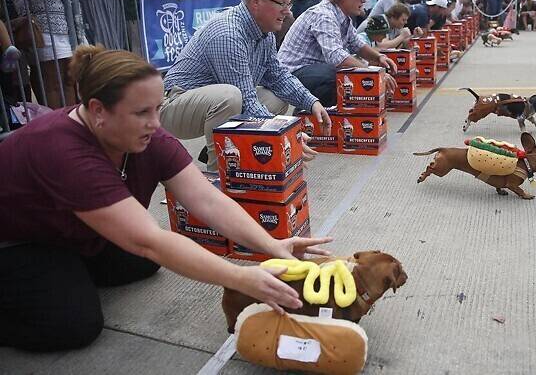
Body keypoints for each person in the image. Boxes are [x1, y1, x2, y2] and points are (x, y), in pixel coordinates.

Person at [0, 44, 332, 352]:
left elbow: (208, 201)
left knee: (141, 263)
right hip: (20, 242)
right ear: (98, 110)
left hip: (69, 228)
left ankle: (68, 269)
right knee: (76, 325)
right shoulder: (64, 151)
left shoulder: (141, 135)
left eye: (158, 109)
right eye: (142, 112)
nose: (155, 124)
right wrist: (239, 277)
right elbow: (149, 240)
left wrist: (272, 245)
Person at [161, 0, 330, 172]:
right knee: (231, 97)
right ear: (256, 0)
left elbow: (279, 77)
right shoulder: (228, 33)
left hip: (207, 104)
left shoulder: (264, 31)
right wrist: (287, 133)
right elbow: (246, 102)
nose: (288, 11)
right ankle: (220, 175)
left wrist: (311, 102)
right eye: (281, 3)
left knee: (275, 97)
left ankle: (239, 155)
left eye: (289, 3)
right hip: (174, 105)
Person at [278, 0, 397, 107]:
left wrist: (379, 57)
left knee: (342, 74)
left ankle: (317, 114)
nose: (364, 1)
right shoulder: (324, 15)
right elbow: (335, 56)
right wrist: (373, 74)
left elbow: (356, 43)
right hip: (290, 73)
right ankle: (310, 116)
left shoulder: (342, 16)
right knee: (337, 76)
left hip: (308, 71)